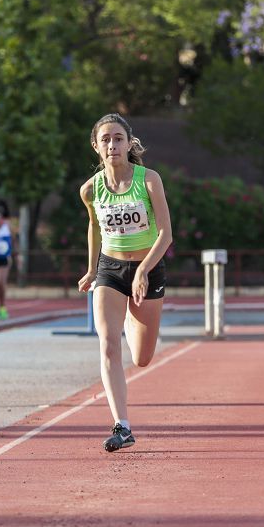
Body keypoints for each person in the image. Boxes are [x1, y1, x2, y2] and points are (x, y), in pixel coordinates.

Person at [77, 114, 173, 452]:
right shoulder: (91, 189)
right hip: (110, 269)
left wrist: (145, 270)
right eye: (105, 139)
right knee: (107, 344)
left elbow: (165, 233)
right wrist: (91, 269)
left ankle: (134, 313)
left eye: (118, 138)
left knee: (142, 358)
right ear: (96, 146)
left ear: (129, 144)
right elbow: (94, 228)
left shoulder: (149, 180)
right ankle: (123, 425)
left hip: (148, 267)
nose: (112, 145)